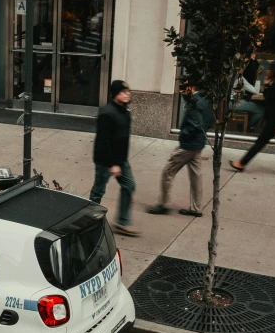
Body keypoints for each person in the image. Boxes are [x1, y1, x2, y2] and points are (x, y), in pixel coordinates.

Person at [146, 86, 213, 218]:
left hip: (188, 145)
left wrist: (184, 134)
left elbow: (195, 123)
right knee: (196, 176)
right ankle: (196, 208)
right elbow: (209, 121)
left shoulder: (196, 102)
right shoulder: (205, 100)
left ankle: (163, 205)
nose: (182, 91)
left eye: (184, 87)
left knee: (168, 171)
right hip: (198, 144)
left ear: (191, 87)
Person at [89, 80, 139, 236]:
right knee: (98, 191)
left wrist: (120, 161)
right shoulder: (107, 113)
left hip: (121, 160)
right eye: (123, 92)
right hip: (106, 161)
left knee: (129, 186)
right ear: (116, 94)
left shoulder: (125, 111)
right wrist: (113, 164)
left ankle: (122, 222)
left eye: (128, 91)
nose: (127, 94)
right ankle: (88, 219)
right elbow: (104, 141)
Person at [230, 61, 275, 178]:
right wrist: (266, 86)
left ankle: (242, 163)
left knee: (260, 143)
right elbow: (270, 100)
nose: (268, 70)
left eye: (271, 69)